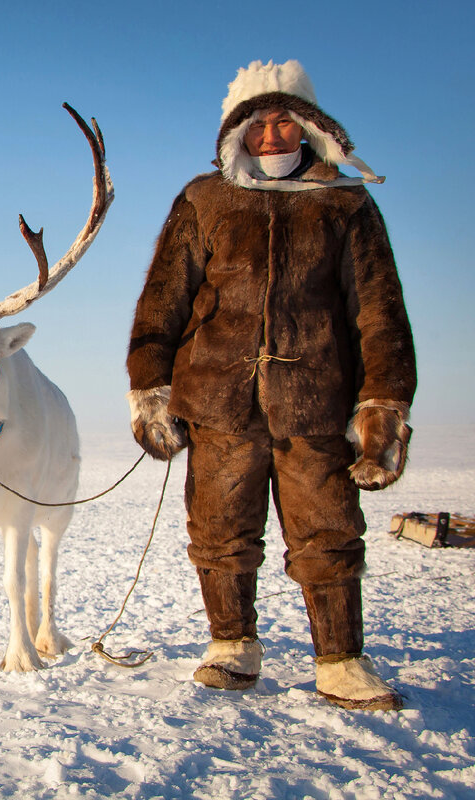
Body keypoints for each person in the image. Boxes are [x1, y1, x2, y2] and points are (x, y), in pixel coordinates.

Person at [126, 60, 415, 711]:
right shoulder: (205, 200)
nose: (273, 133)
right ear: (238, 131)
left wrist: (383, 403)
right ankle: (232, 645)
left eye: (287, 119)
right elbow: (162, 300)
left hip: (316, 401)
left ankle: (340, 659)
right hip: (219, 402)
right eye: (259, 122)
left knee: (328, 530)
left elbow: (379, 312)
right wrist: (151, 386)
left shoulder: (347, 204)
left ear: (311, 126)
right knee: (220, 529)